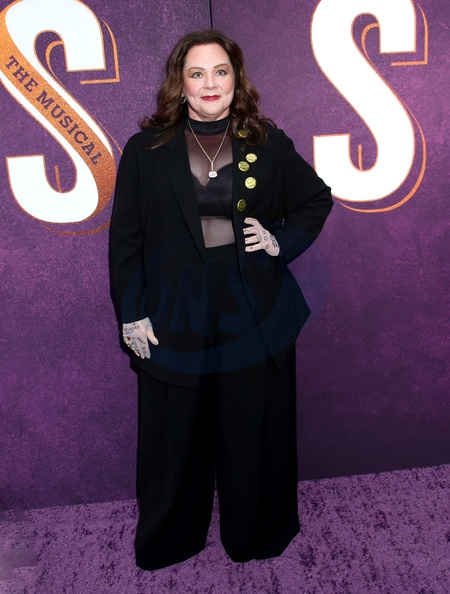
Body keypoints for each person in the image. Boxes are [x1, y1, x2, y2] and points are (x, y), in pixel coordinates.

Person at [109, 29, 333, 571]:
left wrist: (279, 241)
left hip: (252, 310)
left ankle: (256, 532)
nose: (210, 83)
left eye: (221, 71)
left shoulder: (268, 141)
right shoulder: (145, 151)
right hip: (174, 312)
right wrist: (132, 314)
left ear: (236, 78)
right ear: (180, 84)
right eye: (197, 73)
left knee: (252, 426)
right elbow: (127, 242)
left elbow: (315, 199)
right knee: (174, 433)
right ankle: (170, 538)